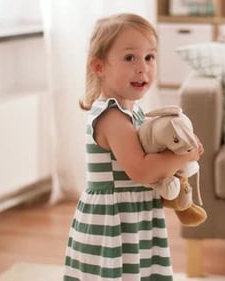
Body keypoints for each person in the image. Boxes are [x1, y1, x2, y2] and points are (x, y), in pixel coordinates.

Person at [63, 13, 203, 280]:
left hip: (134, 214)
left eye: (149, 57)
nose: (143, 68)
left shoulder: (134, 113)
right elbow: (141, 170)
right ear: (99, 66)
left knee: (139, 271)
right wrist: (185, 155)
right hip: (114, 220)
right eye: (130, 58)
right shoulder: (111, 116)